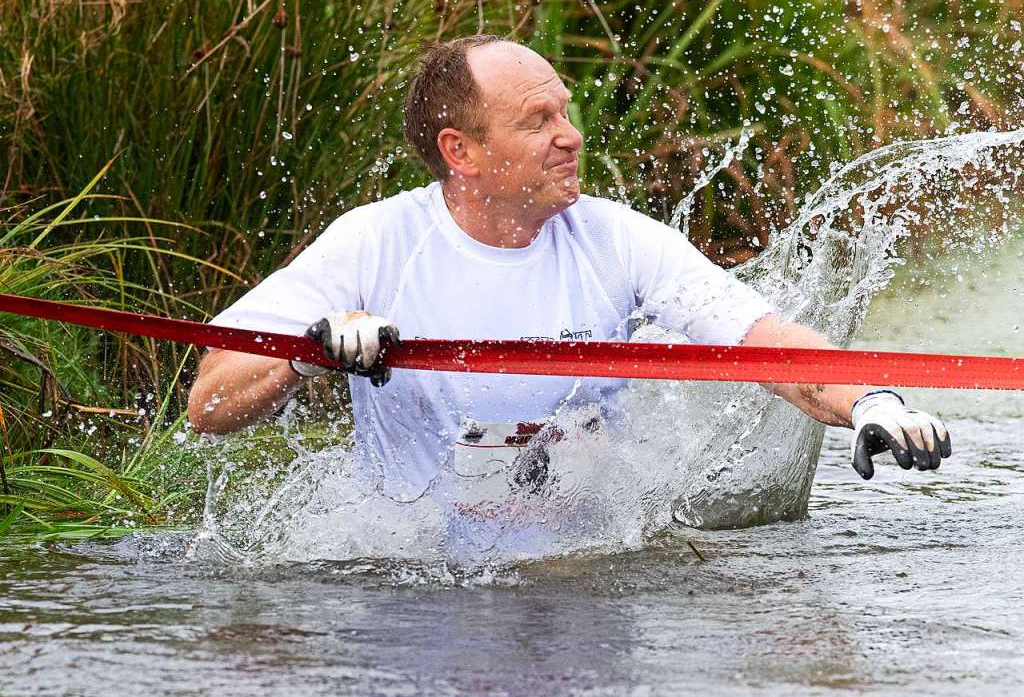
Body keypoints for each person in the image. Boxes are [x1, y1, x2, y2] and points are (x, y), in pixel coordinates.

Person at [187, 34, 951, 502]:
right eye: (538, 121)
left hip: (587, 582)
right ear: (462, 152)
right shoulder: (374, 243)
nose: (572, 135)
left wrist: (871, 402)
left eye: (565, 110)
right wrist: (309, 357)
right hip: (414, 585)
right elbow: (208, 405)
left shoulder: (618, 239)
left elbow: (767, 341)